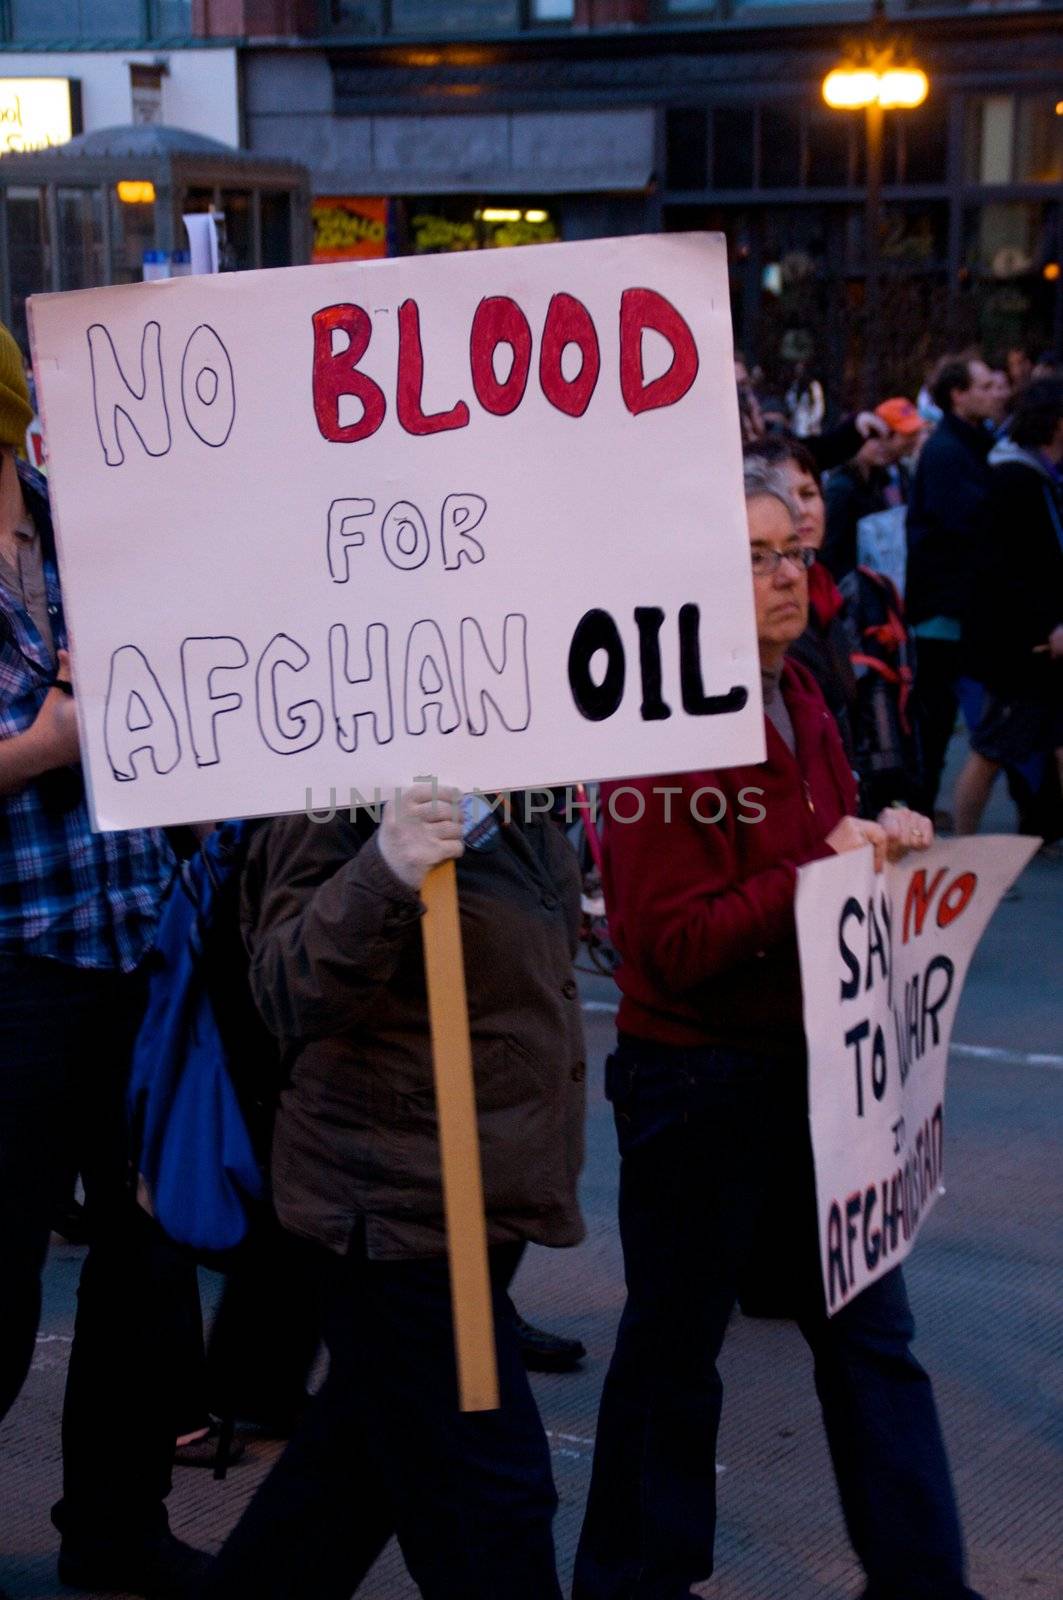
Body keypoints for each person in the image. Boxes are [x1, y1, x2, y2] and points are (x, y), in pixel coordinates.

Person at [572, 466, 981, 1600]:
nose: (784, 576)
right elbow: (665, 945)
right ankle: (632, 1582)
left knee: (870, 1337)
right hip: (695, 1079)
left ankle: (922, 1579)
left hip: (816, 1069)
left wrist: (876, 841)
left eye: (790, 551)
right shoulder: (666, 719)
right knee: (673, 1352)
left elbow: (816, 858)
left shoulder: (799, 691)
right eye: (751, 557)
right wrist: (820, 873)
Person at [198, 784, 586, 1600]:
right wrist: (385, 867)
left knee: (347, 1478)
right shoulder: (322, 793)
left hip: (485, 1187)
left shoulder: (512, 779)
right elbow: (285, 985)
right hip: (392, 1208)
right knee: (490, 1499)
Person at [0, 321, 207, 1595]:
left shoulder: (78, 518)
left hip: (136, 935)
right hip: (11, 961)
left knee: (147, 1254)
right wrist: (51, 735)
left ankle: (117, 1531)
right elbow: (70, 733)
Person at [953, 378, 1063, 834]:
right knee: (990, 750)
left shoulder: (1037, 478)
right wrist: (1048, 626)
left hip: (1036, 643)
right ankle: (959, 845)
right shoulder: (1015, 480)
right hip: (1021, 650)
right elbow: (1009, 572)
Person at [906, 355, 998, 816]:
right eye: (982, 385)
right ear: (957, 394)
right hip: (943, 606)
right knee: (936, 716)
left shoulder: (967, 444)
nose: (993, 392)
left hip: (953, 602)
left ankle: (924, 800)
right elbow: (962, 521)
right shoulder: (948, 450)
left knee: (944, 714)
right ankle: (921, 803)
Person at [822, 396, 923, 583]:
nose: (881, 445)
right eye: (871, 438)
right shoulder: (841, 488)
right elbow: (831, 548)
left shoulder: (884, 478)